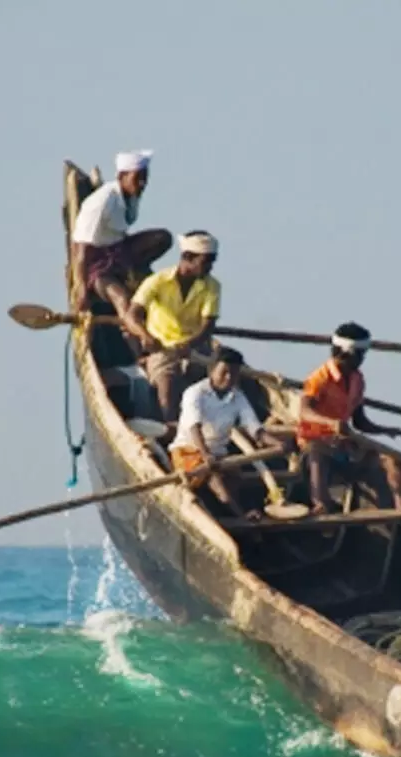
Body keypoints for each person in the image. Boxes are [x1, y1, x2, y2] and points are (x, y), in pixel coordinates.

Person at [296, 322, 401, 515]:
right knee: (315, 450)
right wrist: (331, 423)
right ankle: (321, 504)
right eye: (360, 355)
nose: (362, 359)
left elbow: (360, 421)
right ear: (346, 353)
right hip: (317, 440)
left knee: (390, 461)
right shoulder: (320, 377)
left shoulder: (357, 380)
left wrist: (387, 431)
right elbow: (304, 411)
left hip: (345, 445)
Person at [71, 150, 173, 365]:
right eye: (138, 177)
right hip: (96, 264)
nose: (143, 183)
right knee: (122, 299)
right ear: (122, 177)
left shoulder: (131, 196)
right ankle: (139, 349)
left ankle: (135, 272)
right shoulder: (102, 202)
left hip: (118, 250)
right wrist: (80, 286)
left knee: (163, 238)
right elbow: (80, 248)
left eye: (145, 177)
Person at [168, 347, 277, 521]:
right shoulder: (195, 393)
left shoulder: (238, 396)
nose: (228, 378)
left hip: (219, 453)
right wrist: (205, 454)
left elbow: (254, 427)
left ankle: (225, 511)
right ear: (211, 370)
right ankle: (241, 517)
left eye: (233, 374)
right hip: (189, 450)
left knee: (234, 478)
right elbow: (193, 427)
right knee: (216, 481)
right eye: (224, 372)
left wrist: (277, 444)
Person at [124, 231, 221, 423]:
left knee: (205, 392)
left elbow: (207, 326)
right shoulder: (157, 281)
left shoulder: (212, 286)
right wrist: (145, 336)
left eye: (212, 261)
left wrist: (190, 344)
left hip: (196, 348)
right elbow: (131, 316)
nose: (210, 267)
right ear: (187, 257)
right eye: (205, 261)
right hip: (163, 349)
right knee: (167, 392)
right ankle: (171, 434)